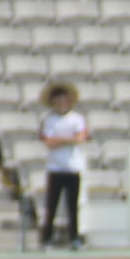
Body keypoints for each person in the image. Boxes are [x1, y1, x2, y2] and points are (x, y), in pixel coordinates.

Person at [37, 81, 90, 249]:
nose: (60, 104)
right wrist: (69, 139)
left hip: (73, 168)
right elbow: (49, 142)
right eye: (57, 101)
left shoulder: (77, 118)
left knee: (73, 207)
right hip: (55, 168)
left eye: (63, 101)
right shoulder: (48, 119)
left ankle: (74, 237)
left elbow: (81, 138)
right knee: (51, 206)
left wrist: (61, 139)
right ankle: (47, 239)